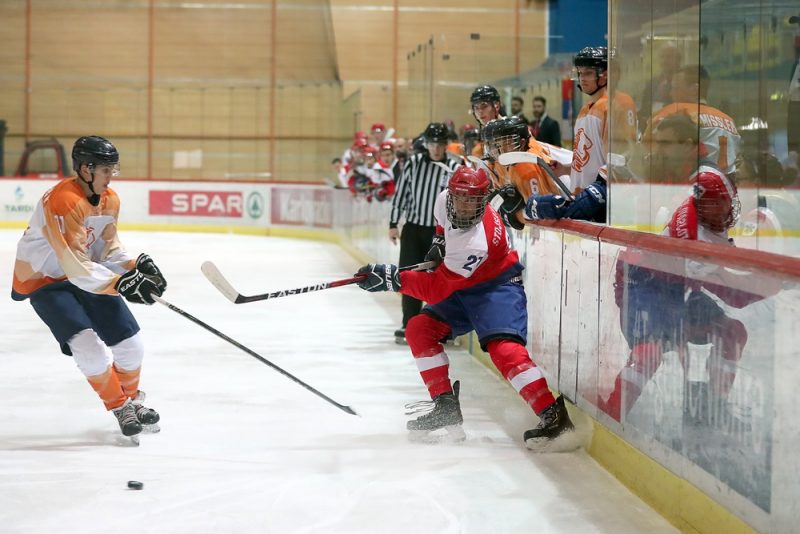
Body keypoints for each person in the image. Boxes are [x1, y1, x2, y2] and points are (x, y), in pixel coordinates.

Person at [354, 167, 577, 450]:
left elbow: (436, 288)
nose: (464, 205)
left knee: (505, 350)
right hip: (463, 283)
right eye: (460, 198)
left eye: (473, 200)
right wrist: (438, 242)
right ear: (451, 194)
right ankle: (445, 405)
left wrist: (392, 278)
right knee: (419, 329)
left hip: (496, 287)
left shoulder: (476, 242)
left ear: (483, 200)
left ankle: (553, 416)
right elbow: (440, 227)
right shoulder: (442, 199)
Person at [11, 136, 166, 441]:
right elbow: (72, 262)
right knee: (87, 346)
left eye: (113, 169)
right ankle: (121, 406)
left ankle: (132, 401)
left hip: (87, 275)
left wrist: (134, 266)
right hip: (45, 281)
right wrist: (120, 282)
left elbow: (106, 251)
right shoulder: (62, 200)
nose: (111, 176)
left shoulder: (111, 199)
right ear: (85, 169)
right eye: (106, 170)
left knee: (132, 345)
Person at [601, 166, 761, 426]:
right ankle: (610, 417)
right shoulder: (694, 237)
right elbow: (735, 297)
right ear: (708, 204)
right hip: (645, 284)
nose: (729, 209)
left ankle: (712, 408)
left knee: (732, 333)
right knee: (648, 352)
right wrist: (775, 284)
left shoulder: (703, 211)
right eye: (723, 203)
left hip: (675, 286)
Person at [388, 122, 461, 343]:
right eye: (431, 143)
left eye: (439, 144)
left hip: (440, 232)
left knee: (439, 279)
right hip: (413, 228)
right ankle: (409, 323)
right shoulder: (413, 163)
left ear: (446, 144)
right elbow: (401, 194)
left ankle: (438, 327)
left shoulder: (454, 166)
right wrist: (393, 223)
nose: (436, 149)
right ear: (425, 143)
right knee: (409, 275)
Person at [642, 65, 741, 177]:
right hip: (725, 187)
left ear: (695, 90)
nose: (671, 94)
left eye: (675, 88)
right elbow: (738, 159)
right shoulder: (728, 121)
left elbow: (648, 153)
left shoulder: (673, 112)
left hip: (691, 187)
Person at [481, 116, 563, 229]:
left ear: (522, 142)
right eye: (496, 145)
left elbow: (542, 215)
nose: (500, 150)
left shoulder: (525, 165)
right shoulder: (505, 162)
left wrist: (515, 216)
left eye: (505, 143)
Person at [469, 85, 505, 158]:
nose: (480, 112)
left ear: (497, 106)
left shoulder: (513, 129)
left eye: (484, 106)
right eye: (476, 108)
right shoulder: (484, 136)